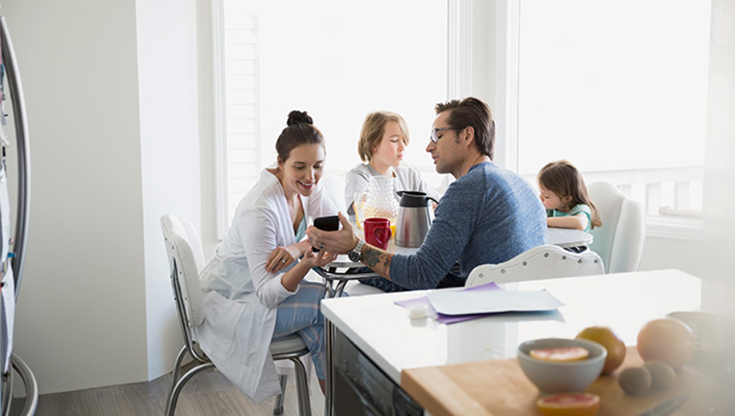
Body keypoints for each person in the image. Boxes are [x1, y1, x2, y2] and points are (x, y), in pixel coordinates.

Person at [307, 97, 546, 291]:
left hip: (480, 306)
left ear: (466, 135)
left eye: (437, 136)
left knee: (359, 274)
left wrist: (355, 247)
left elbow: (422, 273)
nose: (428, 147)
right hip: (521, 306)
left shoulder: (468, 188)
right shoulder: (519, 183)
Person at [197, 110, 338, 401]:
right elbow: (266, 294)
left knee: (326, 326)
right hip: (236, 306)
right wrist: (309, 260)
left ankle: (340, 408)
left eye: (318, 166)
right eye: (300, 167)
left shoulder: (304, 185)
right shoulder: (260, 208)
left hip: (260, 297)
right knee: (334, 311)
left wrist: (299, 248)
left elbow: (332, 233)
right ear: (280, 162)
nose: (311, 177)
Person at [345, 110, 440, 220]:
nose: (402, 147)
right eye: (394, 140)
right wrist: (419, 211)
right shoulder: (359, 175)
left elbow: (439, 202)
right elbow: (367, 211)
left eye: (404, 141)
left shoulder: (409, 175)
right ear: (373, 145)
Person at [537, 160, 602, 232]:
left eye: (546, 196)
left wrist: (545, 221)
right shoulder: (551, 210)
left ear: (566, 199)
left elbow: (580, 223)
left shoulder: (580, 209)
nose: (540, 198)